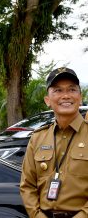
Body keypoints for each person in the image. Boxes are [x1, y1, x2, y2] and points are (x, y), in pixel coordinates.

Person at [20, 67, 88, 218]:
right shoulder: (38, 138)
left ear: (80, 96)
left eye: (72, 90)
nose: (65, 96)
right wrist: (37, 215)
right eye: (57, 90)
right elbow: (27, 186)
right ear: (47, 100)